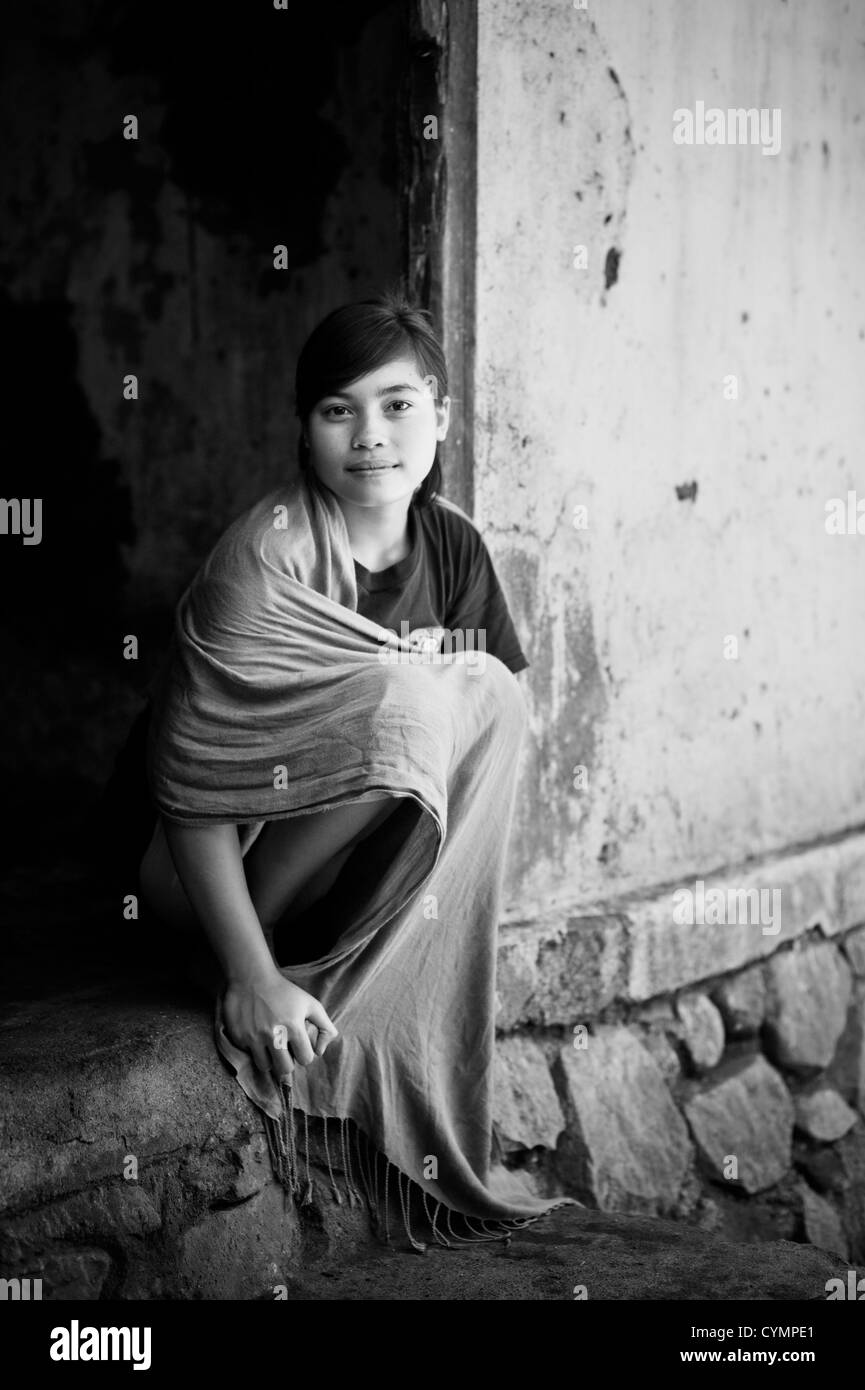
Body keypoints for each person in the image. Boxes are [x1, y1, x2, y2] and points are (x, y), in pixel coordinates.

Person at [129, 291, 571, 1244]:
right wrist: (249, 977)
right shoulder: (265, 561)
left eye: (398, 404)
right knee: (410, 694)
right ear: (304, 428)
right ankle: (261, 955)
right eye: (338, 410)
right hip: (193, 868)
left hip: (332, 859)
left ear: (441, 417)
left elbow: (491, 733)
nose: (370, 435)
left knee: (484, 689)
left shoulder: (449, 544)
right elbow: (191, 787)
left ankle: (361, 960)